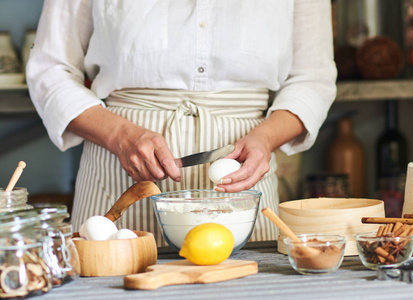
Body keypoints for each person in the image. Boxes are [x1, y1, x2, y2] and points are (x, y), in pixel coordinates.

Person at [27, 0, 337, 246]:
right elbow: (50, 68)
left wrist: (266, 139)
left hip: (243, 182)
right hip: (117, 175)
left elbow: (313, 79)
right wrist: (119, 134)